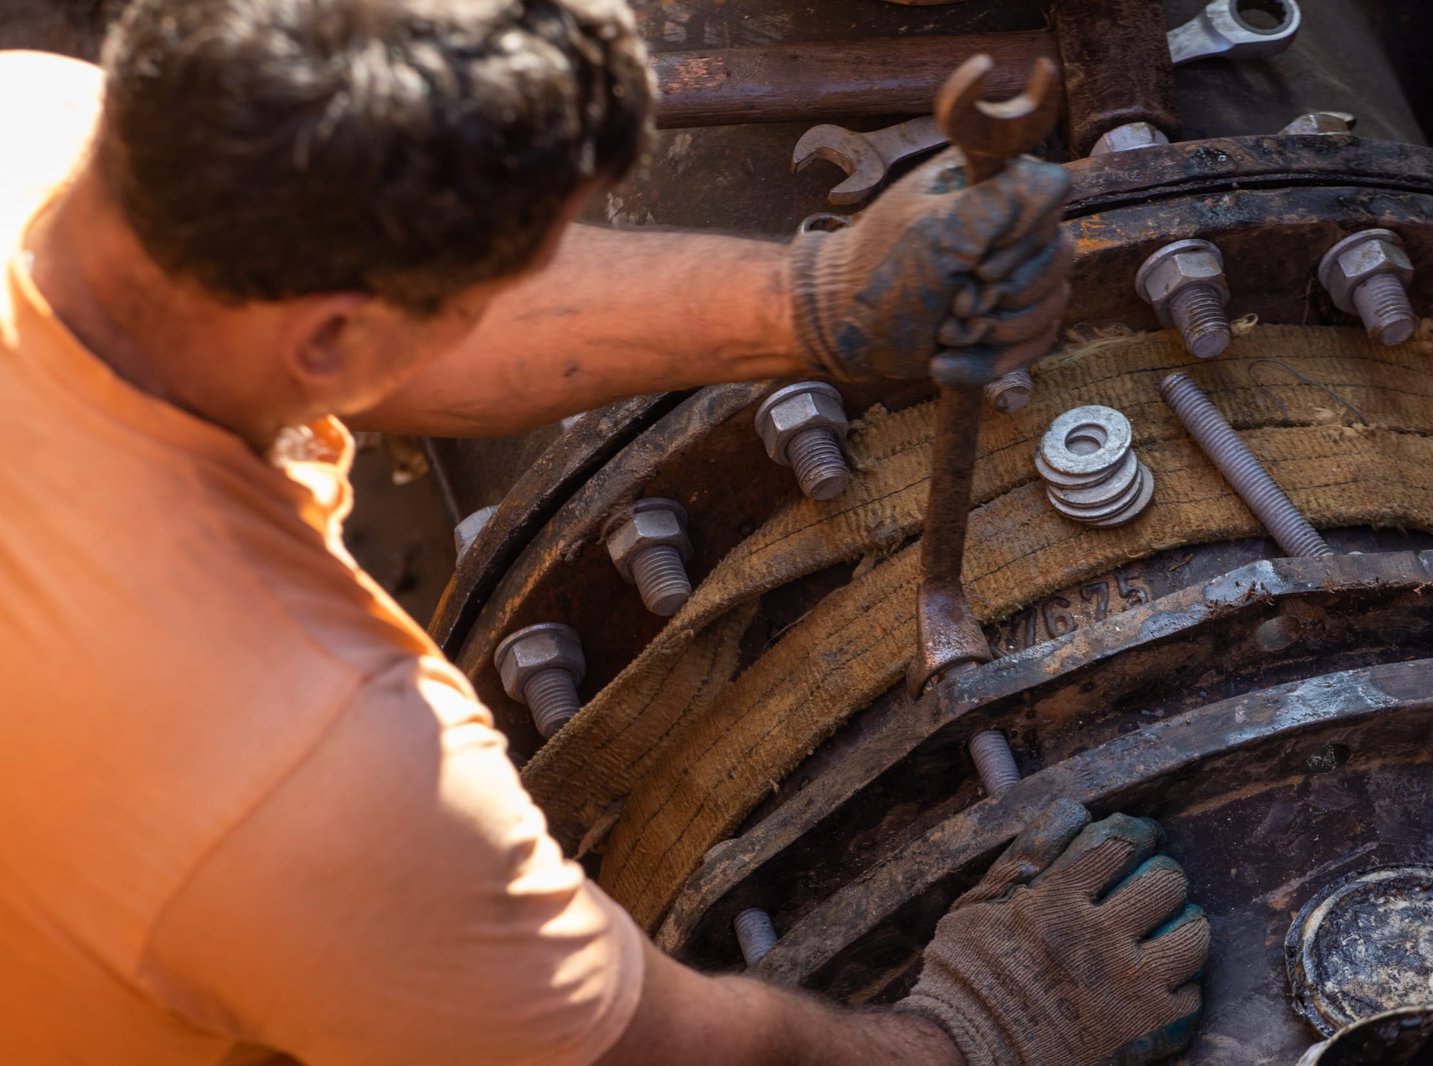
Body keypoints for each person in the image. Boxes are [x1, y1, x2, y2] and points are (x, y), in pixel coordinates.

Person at [0, 0, 1209, 1063]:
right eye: (498, 272)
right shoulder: (316, 780)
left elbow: (343, 322)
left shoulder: (44, 129)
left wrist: (816, 300)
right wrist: (974, 1034)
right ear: (329, 340)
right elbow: (634, 1054)